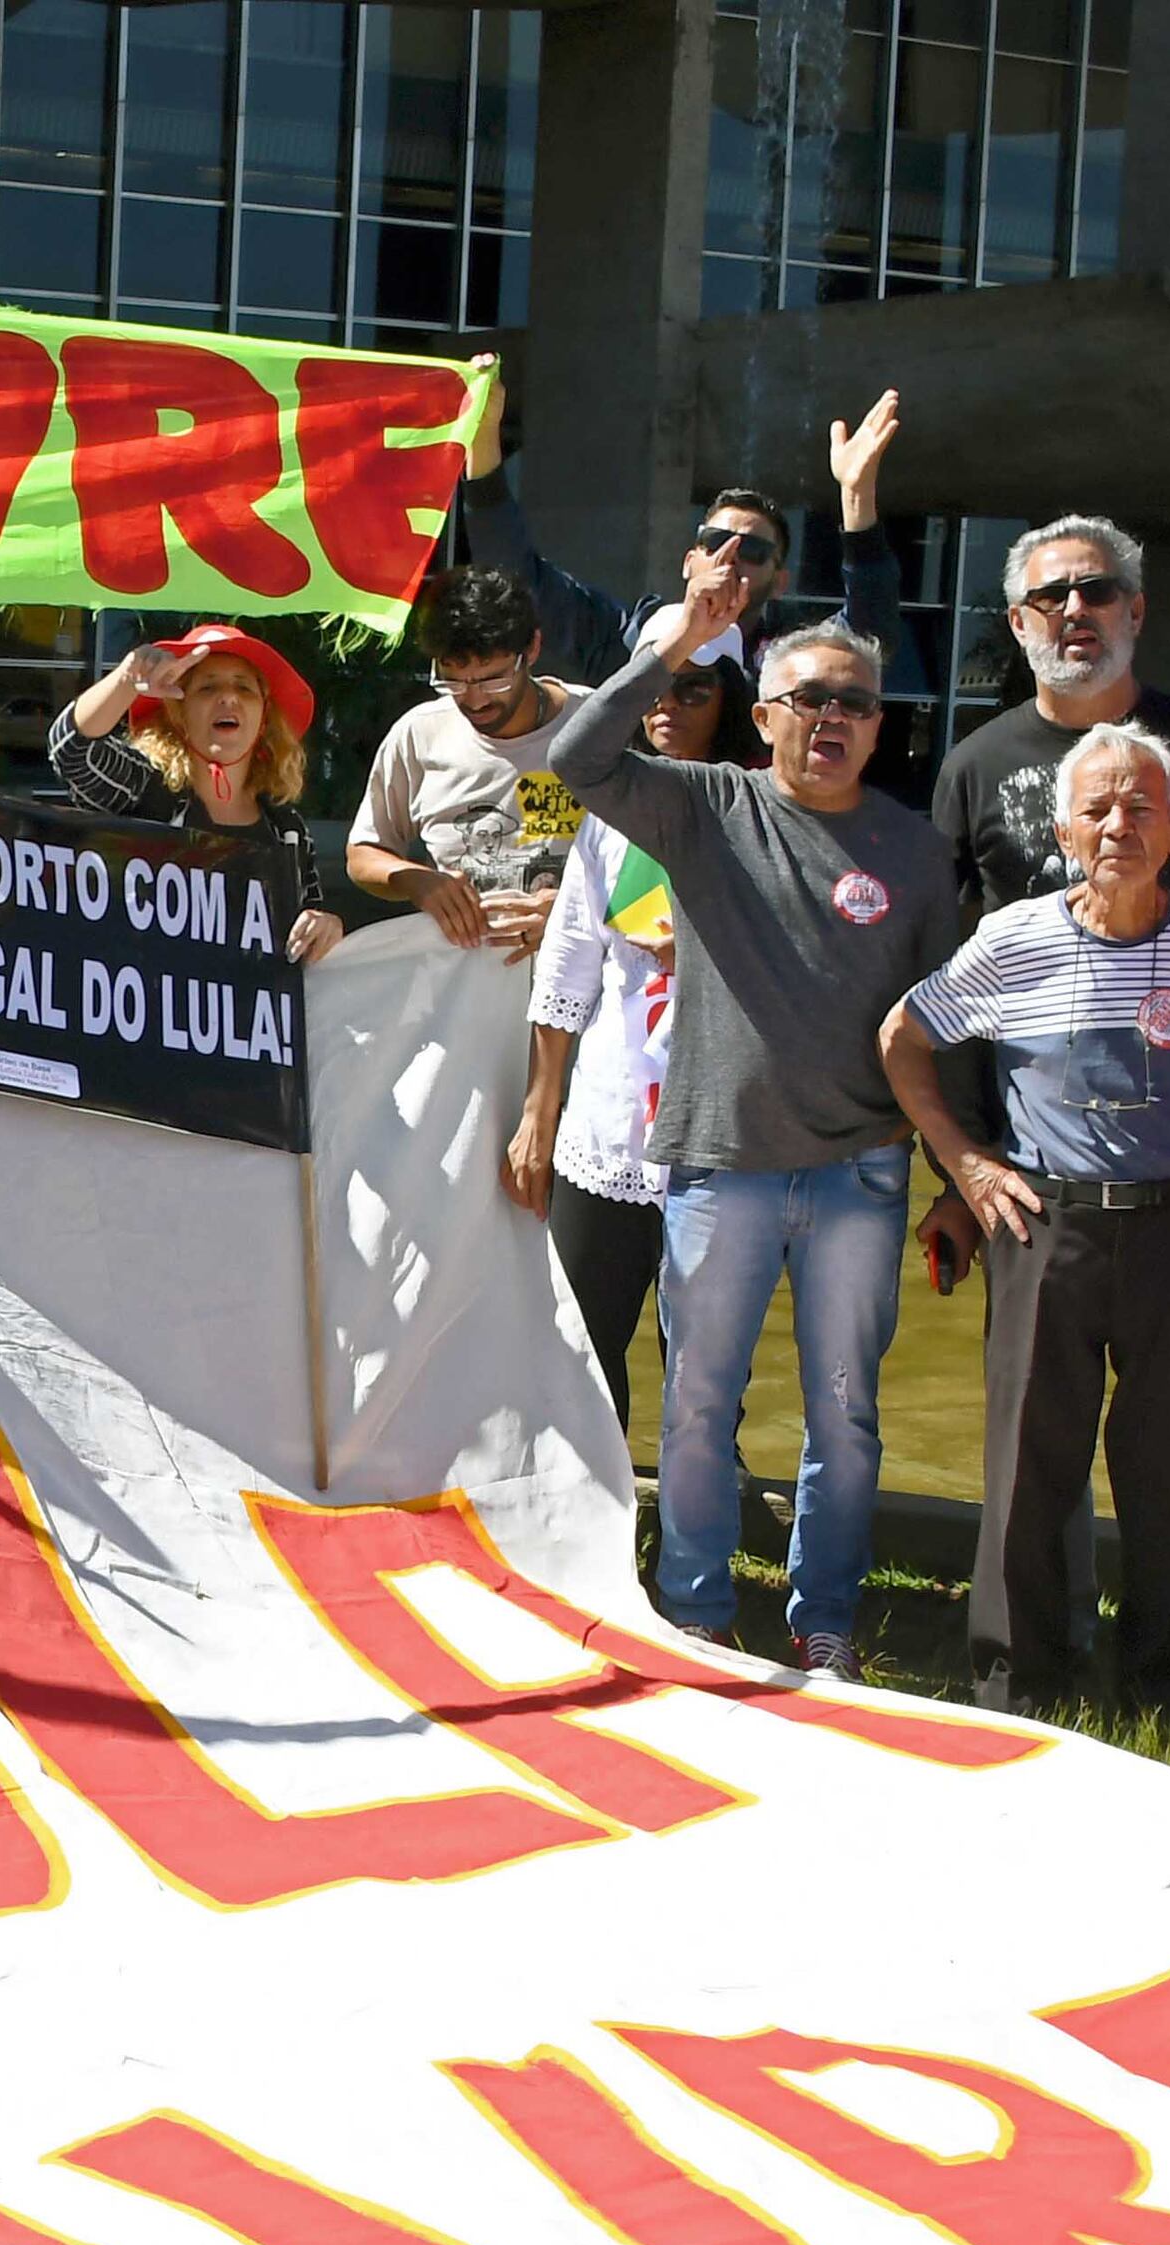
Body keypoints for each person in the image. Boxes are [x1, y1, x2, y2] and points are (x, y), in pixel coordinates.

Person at [543, 575, 964, 1680]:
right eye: (807, 696)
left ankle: (823, 1614)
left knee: (845, 1413)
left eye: (856, 702)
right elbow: (574, 757)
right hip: (717, 1165)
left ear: (879, 725)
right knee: (695, 1406)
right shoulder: (701, 804)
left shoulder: (915, 852)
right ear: (763, 713)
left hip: (859, 1175)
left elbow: (945, 1031)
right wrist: (669, 641)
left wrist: (957, 1176)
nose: (832, 716)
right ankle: (694, 1606)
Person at [882, 724, 1170, 1714]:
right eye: (1095, 807)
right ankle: (1018, 1683)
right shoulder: (1009, 939)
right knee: (1028, 1469)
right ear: (1060, 829)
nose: (1115, 823)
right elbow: (901, 1038)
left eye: (1137, 806)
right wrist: (964, 1164)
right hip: (1044, 1228)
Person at [927, 516, 1170, 1692]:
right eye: (1049, 597)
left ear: (1135, 609)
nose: (1073, 611)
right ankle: (1031, 1662)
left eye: (1097, 590)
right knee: (1032, 1435)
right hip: (1034, 1179)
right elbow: (940, 995)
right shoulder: (975, 763)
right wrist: (961, 1171)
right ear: (1018, 622)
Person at [504, 630, 751, 1408]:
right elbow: (569, 965)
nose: (668, 707)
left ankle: (698, 1523)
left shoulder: (763, 807)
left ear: (733, 702)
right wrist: (540, 1111)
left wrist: (712, 945)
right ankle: (592, 1520)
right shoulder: (608, 809)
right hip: (609, 1128)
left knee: (710, 1366)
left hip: (725, 1134)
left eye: (693, 690)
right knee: (576, 1344)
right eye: (654, 689)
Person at [430, 378, 913, 691]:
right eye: (712, 539)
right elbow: (515, 581)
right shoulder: (626, 642)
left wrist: (855, 496)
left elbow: (868, 642)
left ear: (778, 580)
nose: (728, 555)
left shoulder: (785, 665)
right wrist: (484, 440)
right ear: (688, 560)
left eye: (754, 550)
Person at [49, 625, 350, 961]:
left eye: (244, 687)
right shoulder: (145, 791)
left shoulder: (287, 827)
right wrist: (127, 678)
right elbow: (71, 751)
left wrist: (325, 927)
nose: (228, 697)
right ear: (178, 715)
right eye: (207, 687)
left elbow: (306, 938)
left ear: (264, 717)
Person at [349, 567, 586, 956]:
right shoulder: (420, 733)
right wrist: (415, 880)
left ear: (532, 650)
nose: (475, 700)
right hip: (460, 986)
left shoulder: (597, 724)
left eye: (494, 681)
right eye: (453, 681)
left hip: (581, 983)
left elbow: (653, 861)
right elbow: (363, 853)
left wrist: (578, 910)